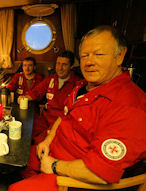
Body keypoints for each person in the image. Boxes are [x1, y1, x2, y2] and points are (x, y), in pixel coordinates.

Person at [9, 26, 146, 191]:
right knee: (19, 159)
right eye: (85, 56)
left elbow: (100, 172)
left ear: (120, 55)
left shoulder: (129, 105)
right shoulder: (82, 86)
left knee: (14, 188)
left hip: (70, 176)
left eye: (99, 54)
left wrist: (53, 166)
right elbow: (64, 116)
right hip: (52, 151)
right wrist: (48, 140)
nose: (89, 62)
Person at [18, 51, 81, 144]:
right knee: (24, 130)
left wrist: (52, 130)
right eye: (58, 64)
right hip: (45, 119)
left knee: (44, 143)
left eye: (64, 64)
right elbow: (36, 92)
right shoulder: (51, 79)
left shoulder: (77, 83)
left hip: (62, 123)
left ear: (71, 66)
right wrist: (24, 98)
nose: (60, 68)